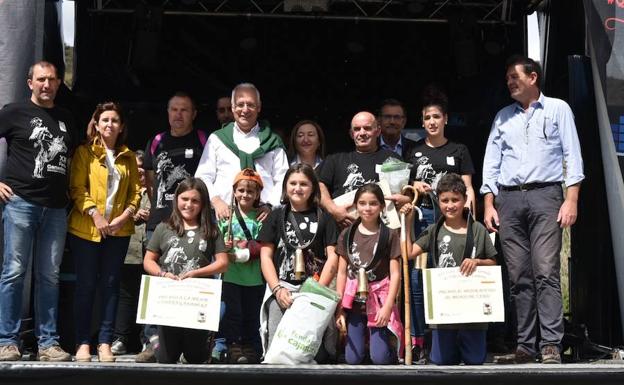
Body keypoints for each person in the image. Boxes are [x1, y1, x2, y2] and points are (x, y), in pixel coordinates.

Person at [481, 55, 584, 364]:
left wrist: (572, 198)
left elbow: (573, 153)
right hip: (509, 200)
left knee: (546, 271)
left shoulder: (557, 109)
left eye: (515, 77)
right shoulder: (503, 116)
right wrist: (488, 202)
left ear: (533, 77)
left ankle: (551, 342)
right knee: (519, 276)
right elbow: (491, 161)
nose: (510, 82)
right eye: (508, 78)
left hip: (546, 195)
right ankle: (526, 344)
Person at [0, 61, 75, 362]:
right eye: (41, 79)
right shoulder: (14, 111)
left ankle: (48, 343)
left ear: (58, 83)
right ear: (29, 82)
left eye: (52, 80)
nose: (47, 85)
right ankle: (7, 341)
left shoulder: (67, 118)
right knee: (14, 273)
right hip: (21, 204)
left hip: (56, 209)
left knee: (49, 277)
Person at [405, 87, 476, 361]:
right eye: (427, 118)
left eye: (436, 116)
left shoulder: (459, 150)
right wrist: (414, 184)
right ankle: (422, 340)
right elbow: (402, 185)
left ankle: (454, 338)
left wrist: (469, 218)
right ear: (422, 122)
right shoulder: (413, 152)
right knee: (419, 279)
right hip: (422, 220)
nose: (432, 122)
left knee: (450, 275)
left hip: (453, 221)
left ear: (445, 119)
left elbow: (468, 188)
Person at [68, 101, 141, 362]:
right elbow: (77, 188)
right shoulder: (84, 153)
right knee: (86, 285)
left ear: (121, 127)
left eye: (115, 120)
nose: (110, 124)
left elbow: (136, 193)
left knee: (111, 285)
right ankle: (82, 342)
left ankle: (105, 342)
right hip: (86, 230)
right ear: (96, 125)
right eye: (105, 120)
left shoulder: (129, 156)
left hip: (118, 232)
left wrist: (124, 217)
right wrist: (95, 214)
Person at [140, 91, 208, 362]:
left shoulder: (203, 140)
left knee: (190, 276)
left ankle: (187, 343)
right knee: (155, 278)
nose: (178, 115)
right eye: (173, 110)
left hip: (194, 221)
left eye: (184, 110)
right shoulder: (157, 141)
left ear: (193, 114)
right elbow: (149, 178)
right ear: (167, 112)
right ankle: (150, 340)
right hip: (160, 221)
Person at [402, 173, 497, 365]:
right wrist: (409, 219)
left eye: (455, 200)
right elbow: (409, 253)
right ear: (438, 201)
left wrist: (477, 262)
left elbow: (493, 264)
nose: (450, 205)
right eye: (445, 200)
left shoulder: (477, 229)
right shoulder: (433, 231)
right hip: (444, 311)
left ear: (464, 200)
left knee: (475, 360)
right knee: (442, 361)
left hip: (473, 311)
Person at [143, 177, 228, 364]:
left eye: (195, 200)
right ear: (176, 200)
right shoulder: (163, 228)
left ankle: (203, 346)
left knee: (195, 357)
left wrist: (195, 273)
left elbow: (223, 263)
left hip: (197, 302)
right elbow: (149, 260)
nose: (189, 204)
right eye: (184, 199)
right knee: (166, 358)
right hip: (169, 302)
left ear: (203, 203)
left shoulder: (211, 230)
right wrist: (163, 274)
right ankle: (155, 342)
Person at [258, 163, 339, 361]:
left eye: (304, 183)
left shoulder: (325, 218)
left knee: (312, 351)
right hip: (282, 290)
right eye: (292, 183)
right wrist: (277, 289)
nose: (297, 188)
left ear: (313, 187)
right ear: (285, 186)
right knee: (276, 349)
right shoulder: (276, 215)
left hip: (313, 291)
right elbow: (265, 256)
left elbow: (333, 258)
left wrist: (315, 292)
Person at [196, 83, 288, 222]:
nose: (245, 110)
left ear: (259, 108)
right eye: (240, 104)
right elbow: (203, 176)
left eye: (250, 105)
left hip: (264, 218)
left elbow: (283, 178)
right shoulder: (217, 139)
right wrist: (216, 201)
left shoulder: (273, 141)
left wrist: (271, 206)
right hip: (224, 217)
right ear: (233, 108)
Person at [335, 183, 403, 365]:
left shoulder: (389, 235)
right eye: (362, 203)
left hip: (379, 301)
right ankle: (365, 345)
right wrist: (340, 308)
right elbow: (341, 273)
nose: (367, 208)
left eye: (373, 203)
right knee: (352, 359)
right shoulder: (347, 234)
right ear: (355, 205)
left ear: (381, 206)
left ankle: (387, 346)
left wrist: (388, 306)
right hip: (354, 303)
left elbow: (395, 274)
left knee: (380, 359)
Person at [318, 111, 400, 228]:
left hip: (382, 231)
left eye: (367, 128)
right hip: (343, 232)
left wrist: (405, 199)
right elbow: (319, 185)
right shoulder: (336, 159)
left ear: (378, 131)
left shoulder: (392, 159)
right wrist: (333, 209)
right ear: (351, 134)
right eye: (357, 129)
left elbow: (407, 190)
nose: (362, 133)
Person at [217, 168, 265, 364]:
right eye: (241, 190)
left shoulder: (261, 217)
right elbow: (218, 244)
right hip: (231, 275)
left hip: (255, 277)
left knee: (251, 314)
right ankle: (234, 345)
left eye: (250, 192)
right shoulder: (226, 218)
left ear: (258, 194)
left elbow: (266, 244)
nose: (245, 195)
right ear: (234, 191)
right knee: (232, 314)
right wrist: (225, 246)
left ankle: (251, 346)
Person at [111, 150, 151, 355]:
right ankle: (120, 338)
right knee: (126, 295)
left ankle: (148, 339)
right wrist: (132, 214)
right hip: (129, 249)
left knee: (151, 295)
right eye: (136, 168)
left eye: (143, 167)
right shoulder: (122, 188)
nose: (140, 171)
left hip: (152, 252)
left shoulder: (155, 190)